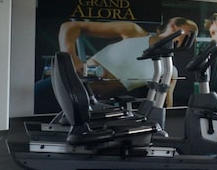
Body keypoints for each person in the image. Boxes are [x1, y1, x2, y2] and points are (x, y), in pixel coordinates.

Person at [40, 17, 198, 110]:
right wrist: (71, 59)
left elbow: (166, 107)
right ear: (174, 25)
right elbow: (70, 26)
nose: (192, 38)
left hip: (87, 104)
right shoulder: (133, 31)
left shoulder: (170, 70)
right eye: (190, 32)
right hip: (66, 85)